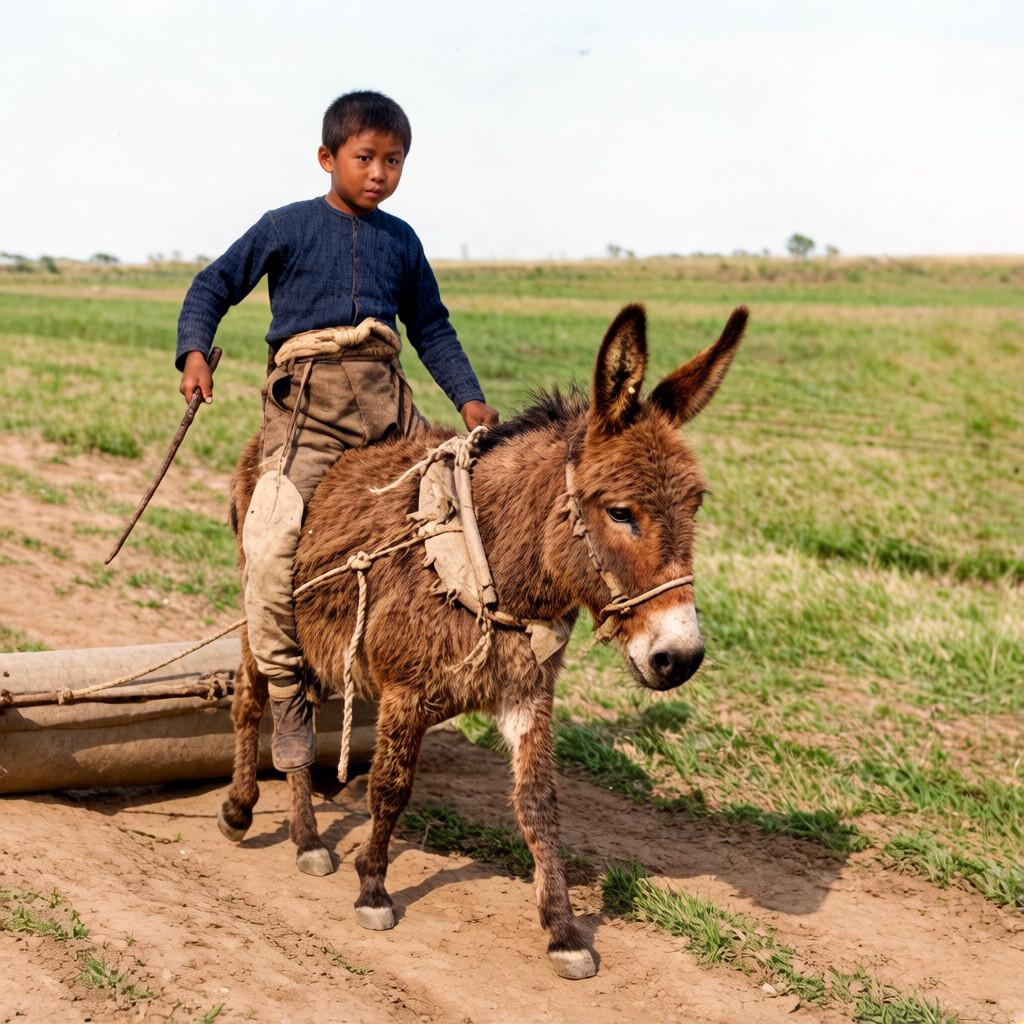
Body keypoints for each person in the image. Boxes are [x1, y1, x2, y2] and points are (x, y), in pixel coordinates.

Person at [175, 90, 499, 773]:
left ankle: (440, 659)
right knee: (269, 542)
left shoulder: (401, 241)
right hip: (308, 414)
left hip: (389, 409)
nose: (380, 173)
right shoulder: (285, 226)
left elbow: (431, 326)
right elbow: (212, 286)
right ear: (327, 158)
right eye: (365, 158)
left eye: (394, 161)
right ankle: (289, 691)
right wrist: (195, 352)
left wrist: (468, 401)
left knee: (467, 509)